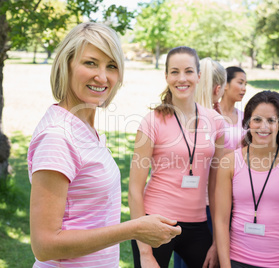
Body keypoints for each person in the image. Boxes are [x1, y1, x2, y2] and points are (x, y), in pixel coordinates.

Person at [27, 22, 181, 268]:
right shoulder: (58, 137)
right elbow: (44, 245)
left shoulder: (83, 129)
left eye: (111, 66)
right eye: (90, 63)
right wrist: (133, 229)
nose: (102, 76)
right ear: (66, 65)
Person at [129, 46, 225, 268]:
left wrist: (217, 242)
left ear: (199, 76)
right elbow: (134, 189)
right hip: (156, 220)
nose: (182, 78)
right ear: (166, 76)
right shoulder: (151, 121)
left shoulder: (216, 121)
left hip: (198, 223)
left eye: (189, 71)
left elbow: (216, 185)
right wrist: (144, 252)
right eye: (174, 72)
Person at [215, 90, 279, 267]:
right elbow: (221, 220)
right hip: (237, 260)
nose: (263, 127)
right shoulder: (229, 162)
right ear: (248, 122)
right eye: (257, 119)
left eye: (271, 121)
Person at [174, 57, 226, 268]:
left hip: (178, 204)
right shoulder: (218, 122)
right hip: (208, 207)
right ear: (218, 88)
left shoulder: (179, 116)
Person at [219, 66, 248, 155]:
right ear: (226, 85)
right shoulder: (212, 114)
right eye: (240, 83)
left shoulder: (244, 116)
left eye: (245, 84)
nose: (244, 88)